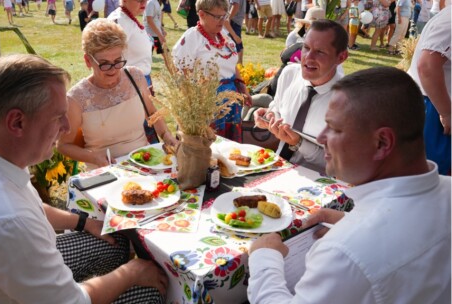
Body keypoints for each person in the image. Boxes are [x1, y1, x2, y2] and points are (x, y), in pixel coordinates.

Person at [0, 54, 168, 303]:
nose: (67, 127)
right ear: (17, 122)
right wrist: (130, 273)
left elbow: (30, 206)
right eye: (57, 116)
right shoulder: (6, 222)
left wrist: (83, 222)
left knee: (116, 242)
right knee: (152, 290)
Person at [248, 66, 451, 304]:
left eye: (334, 128)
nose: (322, 138)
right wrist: (350, 223)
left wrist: (265, 258)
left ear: (381, 143)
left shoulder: (345, 251)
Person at [57, 19, 177, 169]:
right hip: (106, 171)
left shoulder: (136, 77)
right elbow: (63, 145)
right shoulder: (76, 98)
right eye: (105, 63)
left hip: (144, 162)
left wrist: (166, 135)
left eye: (118, 60)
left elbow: (152, 113)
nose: (113, 69)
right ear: (88, 61)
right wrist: (93, 157)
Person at [253, 19, 348, 173]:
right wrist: (269, 115)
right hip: (276, 170)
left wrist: (299, 144)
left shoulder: (349, 102)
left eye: (320, 52)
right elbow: (277, 108)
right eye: (306, 47)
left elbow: (340, 165)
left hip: (321, 185)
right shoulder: (289, 74)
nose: (308, 57)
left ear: (341, 57)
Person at [172, 0, 252, 143]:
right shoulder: (192, 38)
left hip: (230, 103)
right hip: (205, 106)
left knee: (229, 151)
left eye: (224, 16)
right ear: (201, 14)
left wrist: (242, 88)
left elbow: (232, 66)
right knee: (205, 152)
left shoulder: (224, 36)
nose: (222, 21)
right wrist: (196, 107)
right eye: (217, 17)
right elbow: (182, 75)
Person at [407, 6, 450, 175]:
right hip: (434, 107)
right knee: (431, 176)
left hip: (437, 105)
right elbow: (427, 66)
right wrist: (447, 113)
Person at [108, 0, 154, 87]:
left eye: (146, 0)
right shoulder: (120, 21)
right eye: (140, 0)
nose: (144, 3)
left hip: (138, 81)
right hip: (129, 83)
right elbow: (109, 57)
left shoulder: (127, 18)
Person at [144, 0, 168, 64]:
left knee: (167, 56)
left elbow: (156, 20)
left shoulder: (157, 2)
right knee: (146, 60)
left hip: (157, 35)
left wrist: (161, 29)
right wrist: (160, 36)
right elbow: (149, 21)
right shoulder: (151, 3)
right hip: (150, 36)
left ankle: (174, 74)